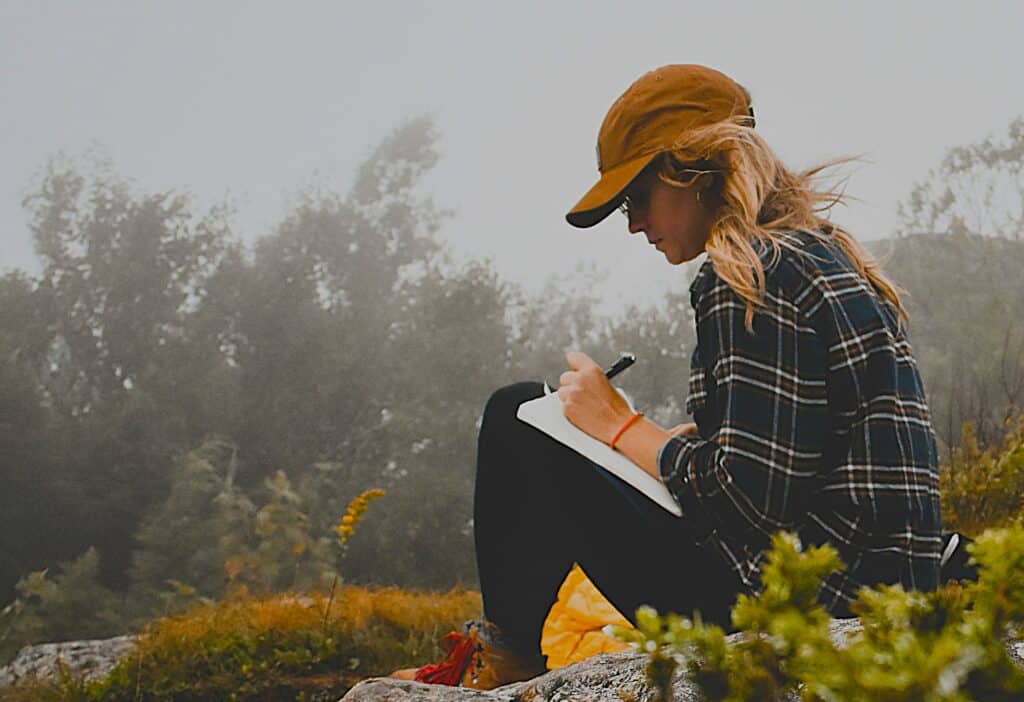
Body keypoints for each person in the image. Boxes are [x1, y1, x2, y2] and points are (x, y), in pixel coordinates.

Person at [387, 64, 942, 690]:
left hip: (799, 608)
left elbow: (749, 502)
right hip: (869, 590)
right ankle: (513, 655)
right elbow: (805, 461)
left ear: (695, 171)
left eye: (638, 198)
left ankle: (509, 659)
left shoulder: (748, 275)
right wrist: (687, 444)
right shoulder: (819, 256)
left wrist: (621, 427)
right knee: (558, 428)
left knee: (517, 418)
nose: (633, 224)